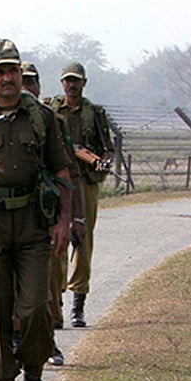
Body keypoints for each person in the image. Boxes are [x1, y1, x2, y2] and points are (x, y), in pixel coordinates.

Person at [0, 39, 73, 381]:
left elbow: (62, 172)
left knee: (35, 308)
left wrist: (64, 221)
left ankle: (33, 379)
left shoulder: (42, 117)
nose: (7, 78)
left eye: (12, 71)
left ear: (20, 73)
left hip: (33, 223)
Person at [22, 61, 86, 366]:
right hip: (8, 221)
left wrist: (74, 218)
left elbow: (69, 174)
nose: (26, 87)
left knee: (47, 286)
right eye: (22, 80)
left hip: (45, 218)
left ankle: (48, 342)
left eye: (31, 82)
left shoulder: (51, 123)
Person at [48, 61, 114, 328]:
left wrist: (102, 162)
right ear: (62, 82)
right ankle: (56, 300)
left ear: (84, 83)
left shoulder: (95, 113)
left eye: (76, 80)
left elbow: (108, 148)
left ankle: (78, 302)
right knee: (56, 238)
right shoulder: (51, 110)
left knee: (82, 240)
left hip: (85, 181)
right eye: (67, 80)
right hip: (58, 179)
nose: (71, 85)